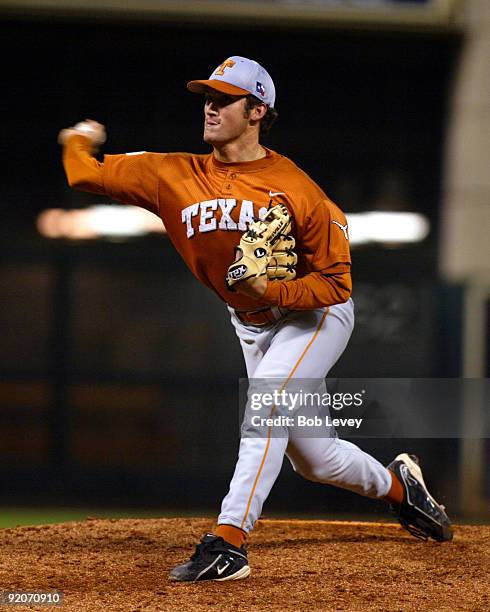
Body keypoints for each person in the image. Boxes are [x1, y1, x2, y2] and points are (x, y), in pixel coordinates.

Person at [58, 55, 453, 583]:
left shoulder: (299, 190)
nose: (211, 106)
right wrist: (76, 141)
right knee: (315, 460)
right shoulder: (172, 173)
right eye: (208, 97)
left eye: (225, 99)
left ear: (258, 110)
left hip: (314, 315)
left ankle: (229, 541)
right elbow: (85, 174)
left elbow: (336, 285)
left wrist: (272, 286)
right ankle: (404, 488)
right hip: (250, 321)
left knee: (266, 403)